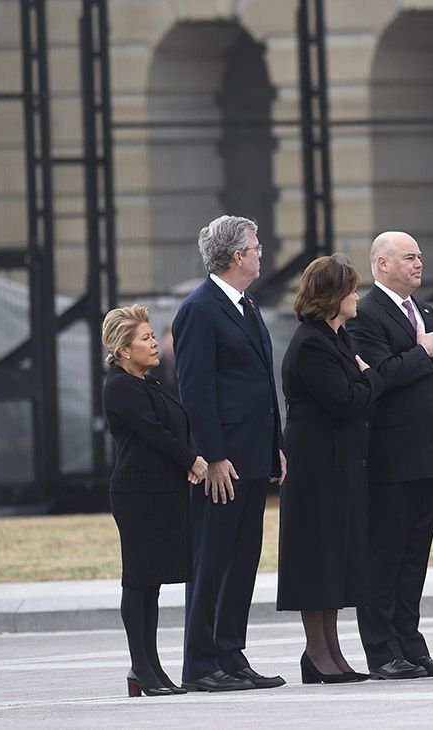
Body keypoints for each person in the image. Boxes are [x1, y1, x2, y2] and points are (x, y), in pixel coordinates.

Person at [173, 215, 285, 692]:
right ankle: (201, 662)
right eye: (257, 247)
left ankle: (230, 654)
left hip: (255, 453)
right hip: (225, 461)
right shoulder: (199, 309)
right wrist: (213, 455)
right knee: (212, 557)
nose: (262, 253)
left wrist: (277, 444)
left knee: (243, 557)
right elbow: (195, 390)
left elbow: (262, 381)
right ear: (238, 255)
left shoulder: (246, 304)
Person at [346, 232, 433, 680]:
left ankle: (411, 645)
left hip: (430, 451)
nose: (419, 263)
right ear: (380, 264)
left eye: (420, 255)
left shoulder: (425, 310)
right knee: (385, 554)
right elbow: (380, 377)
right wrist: (420, 350)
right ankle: (381, 650)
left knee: (414, 554)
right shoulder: (366, 314)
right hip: (391, 455)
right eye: (408, 257)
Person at [276, 254, 380, 684]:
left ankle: (329, 650)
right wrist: (371, 378)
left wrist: (362, 380)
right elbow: (346, 402)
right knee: (315, 558)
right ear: (334, 296)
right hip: (316, 467)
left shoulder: (336, 338)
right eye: (352, 289)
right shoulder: (313, 342)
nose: (357, 296)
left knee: (334, 558)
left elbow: (353, 396)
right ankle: (318, 652)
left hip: (338, 463)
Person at [102, 305, 207, 696]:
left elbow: (175, 426)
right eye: (145, 338)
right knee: (138, 579)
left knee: (153, 584)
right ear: (124, 349)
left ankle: (149, 667)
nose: (154, 343)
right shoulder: (120, 386)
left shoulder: (149, 382)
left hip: (162, 492)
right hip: (138, 494)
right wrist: (192, 461)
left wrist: (189, 459)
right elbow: (154, 433)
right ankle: (142, 667)